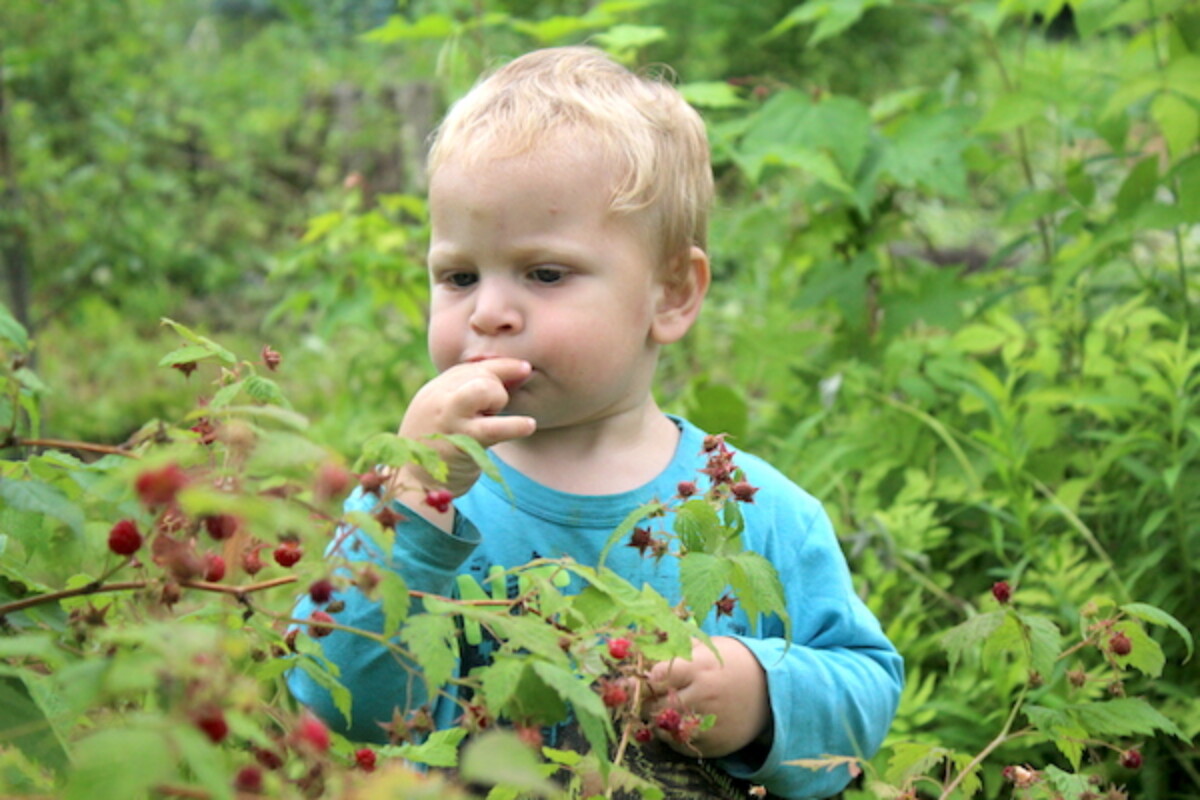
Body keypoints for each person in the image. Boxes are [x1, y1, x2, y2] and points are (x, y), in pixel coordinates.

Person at [287, 45, 903, 799]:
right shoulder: (417, 497)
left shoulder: (755, 514)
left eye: (545, 274)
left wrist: (758, 698)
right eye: (458, 276)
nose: (488, 312)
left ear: (672, 294)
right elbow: (333, 699)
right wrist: (411, 501)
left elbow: (866, 693)